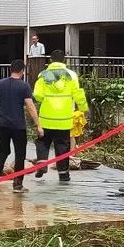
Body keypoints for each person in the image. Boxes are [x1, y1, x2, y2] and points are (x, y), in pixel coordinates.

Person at [0, 59, 44, 193]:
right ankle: (17, 184)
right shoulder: (24, 86)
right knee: (20, 154)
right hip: (18, 126)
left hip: (3, 124)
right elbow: (30, 107)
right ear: (22, 71)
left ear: (11, 69)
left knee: (3, 149)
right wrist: (38, 125)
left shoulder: (0, 84)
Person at [33, 50, 88, 182]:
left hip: (46, 118)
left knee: (43, 142)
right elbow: (78, 94)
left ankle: (42, 163)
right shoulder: (72, 75)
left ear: (51, 60)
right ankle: (63, 174)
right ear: (64, 61)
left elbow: (38, 96)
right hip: (64, 119)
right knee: (63, 145)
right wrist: (84, 108)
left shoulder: (43, 75)